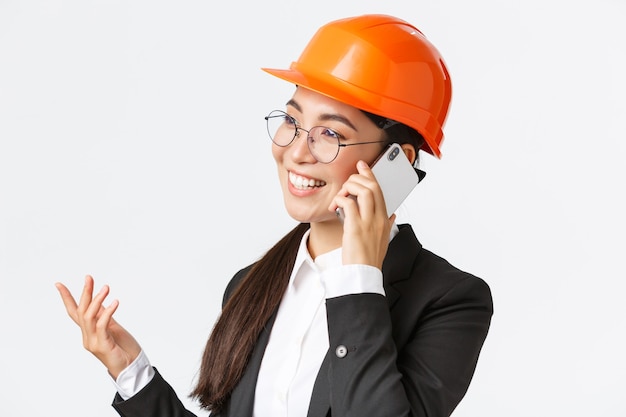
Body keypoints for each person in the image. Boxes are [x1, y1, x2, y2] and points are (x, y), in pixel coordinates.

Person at [56, 14, 493, 417]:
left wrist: (358, 278)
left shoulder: (450, 301)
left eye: (330, 134)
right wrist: (131, 371)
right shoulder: (252, 285)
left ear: (396, 161)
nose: (296, 152)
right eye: (292, 121)